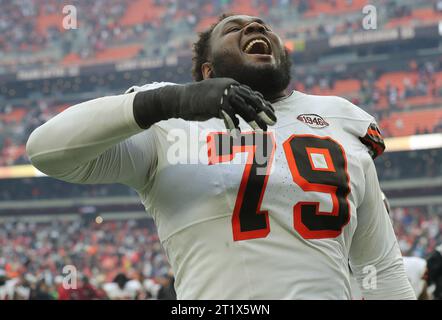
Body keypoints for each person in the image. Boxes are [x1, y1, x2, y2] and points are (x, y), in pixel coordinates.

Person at [26, 13, 415, 299]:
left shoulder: (341, 117)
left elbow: (378, 264)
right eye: (234, 29)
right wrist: (168, 100)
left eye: (263, 25)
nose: (256, 28)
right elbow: (45, 150)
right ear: (208, 70)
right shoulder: (170, 122)